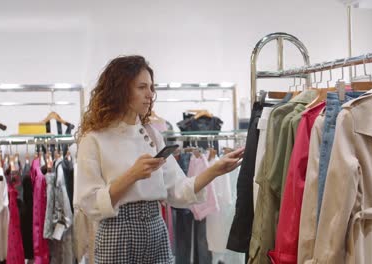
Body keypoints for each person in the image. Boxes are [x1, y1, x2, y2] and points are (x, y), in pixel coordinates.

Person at [74, 55, 244, 263]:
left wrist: (215, 169)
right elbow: (88, 202)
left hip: (156, 226)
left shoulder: (152, 134)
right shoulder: (94, 139)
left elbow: (178, 190)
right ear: (120, 89)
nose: (150, 94)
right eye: (142, 87)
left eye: (152, 88)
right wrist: (131, 176)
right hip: (117, 232)